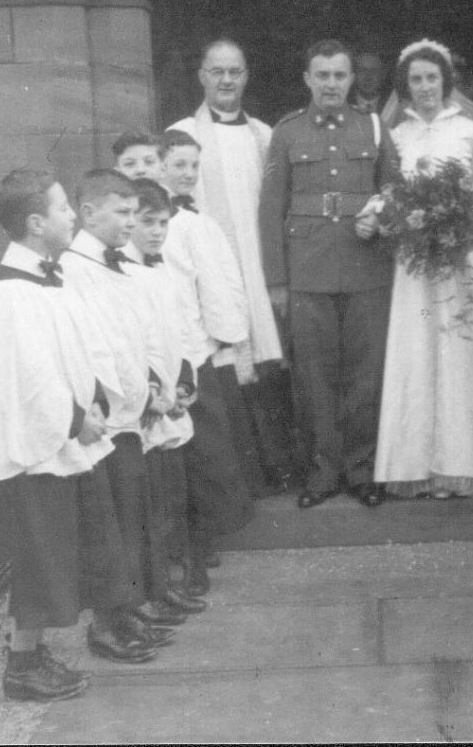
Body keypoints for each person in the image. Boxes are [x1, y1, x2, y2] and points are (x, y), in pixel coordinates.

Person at [0, 169, 114, 700]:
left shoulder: (48, 281)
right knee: (38, 555)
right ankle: (21, 668)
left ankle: (29, 655)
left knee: (51, 552)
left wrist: (94, 395)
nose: (73, 215)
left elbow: (73, 350)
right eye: (62, 209)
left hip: (59, 440)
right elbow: (30, 378)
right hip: (36, 447)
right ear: (35, 223)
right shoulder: (10, 295)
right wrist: (76, 418)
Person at [372, 39, 473, 499]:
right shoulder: (395, 135)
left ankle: (466, 463)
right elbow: (389, 191)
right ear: (405, 86)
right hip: (416, 263)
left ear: (446, 81)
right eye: (415, 80)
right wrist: (403, 216)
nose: (423, 87)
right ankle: (414, 465)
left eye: (431, 78)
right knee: (416, 351)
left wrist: (462, 214)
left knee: (460, 353)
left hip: (460, 254)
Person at [259, 39, 398, 509]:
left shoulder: (374, 128)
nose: (332, 84)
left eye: (340, 75)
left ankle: (361, 470)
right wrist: (278, 281)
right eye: (323, 75)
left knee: (365, 374)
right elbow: (270, 209)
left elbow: (395, 191)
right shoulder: (288, 133)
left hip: (367, 269)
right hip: (308, 272)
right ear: (308, 80)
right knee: (314, 377)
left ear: (352, 79)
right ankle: (322, 472)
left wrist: (380, 216)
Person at [168, 37, 296, 497]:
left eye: (235, 72)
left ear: (246, 76)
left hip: (260, 268)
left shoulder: (264, 134)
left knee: (268, 365)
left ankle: (278, 466)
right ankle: (245, 479)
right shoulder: (182, 135)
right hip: (214, 272)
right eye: (217, 71)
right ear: (201, 75)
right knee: (228, 369)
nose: (226, 80)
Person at [59, 169, 177, 660]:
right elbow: (86, 344)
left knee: (131, 515)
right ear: (88, 213)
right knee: (106, 524)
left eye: (136, 213)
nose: (132, 222)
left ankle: (127, 609)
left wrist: (150, 381)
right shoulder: (73, 269)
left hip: (130, 414)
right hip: (103, 419)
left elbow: (132, 331)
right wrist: (106, 401)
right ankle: (106, 623)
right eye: (123, 212)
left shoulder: (116, 266)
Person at [159, 129, 256, 590]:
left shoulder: (195, 219)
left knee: (210, 449)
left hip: (204, 346)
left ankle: (203, 538)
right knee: (190, 451)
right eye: (178, 164)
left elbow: (217, 281)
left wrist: (227, 336)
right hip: (181, 351)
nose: (187, 174)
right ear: (160, 166)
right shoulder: (164, 224)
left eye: (193, 166)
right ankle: (187, 548)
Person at [120, 178, 207, 621]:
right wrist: (158, 393)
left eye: (163, 224)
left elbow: (180, 333)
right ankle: (150, 593)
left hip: (173, 402)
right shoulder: (124, 274)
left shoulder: (162, 270)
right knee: (149, 509)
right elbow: (138, 343)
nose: (156, 232)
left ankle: (172, 583)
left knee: (171, 502)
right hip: (148, 409)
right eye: (147, 223)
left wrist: (186, 381)